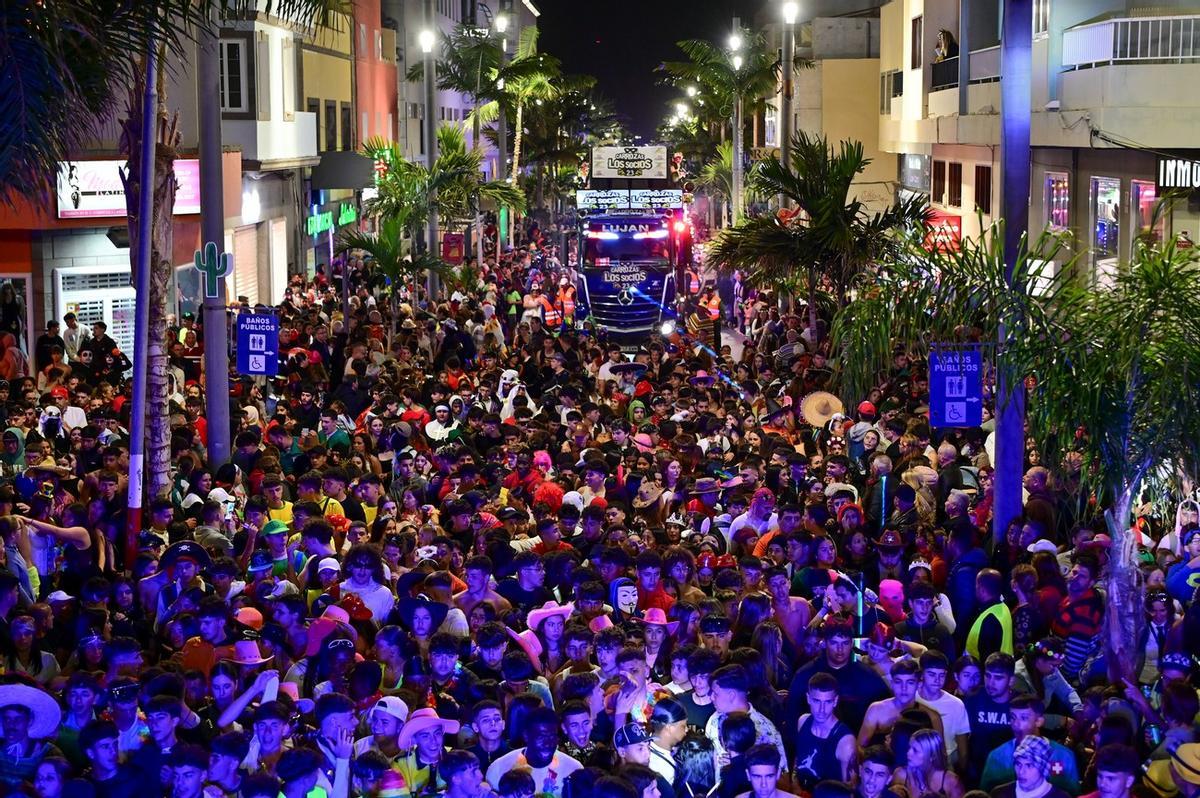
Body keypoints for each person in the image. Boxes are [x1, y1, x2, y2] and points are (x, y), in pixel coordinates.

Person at [485, 707, 582, 797]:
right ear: (526, 736)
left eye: (552, 736)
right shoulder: (498, 769)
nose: (547, 743)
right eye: (541, 736)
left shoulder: (574, 769)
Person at [791, 673, 855, 788]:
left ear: (835, 701)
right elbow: (798, 758)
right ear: (808, 698)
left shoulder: (845, 741)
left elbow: (849, 788)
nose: (822, 709)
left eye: (827, 702)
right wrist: (795, 786)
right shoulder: (803, 721)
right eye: (817, 701)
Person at [987, 736, 1070, 798]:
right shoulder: (999, 794)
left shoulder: (1061, 797)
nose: (1021, 771)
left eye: (1029, 765)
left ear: (1042, 767)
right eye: (1018, 764)